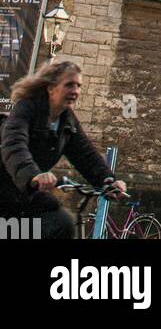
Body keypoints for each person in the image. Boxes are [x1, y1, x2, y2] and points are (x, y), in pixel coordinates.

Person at [0, 60, 127, 239]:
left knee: (62, 222)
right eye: (69, 85)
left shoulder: (67, 121)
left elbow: (86, 155)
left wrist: (108, 181)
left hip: (24, 195)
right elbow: (14, 145)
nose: (75, 91)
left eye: (78, 86)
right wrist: (33, 175)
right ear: (51, 88)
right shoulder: (26, 108)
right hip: (5, 190)